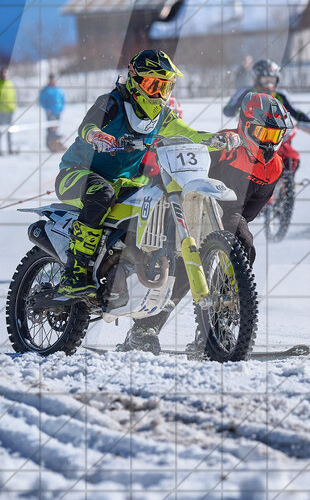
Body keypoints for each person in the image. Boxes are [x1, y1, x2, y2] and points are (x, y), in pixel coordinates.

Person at [53, 48, 240, 302]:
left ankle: (129, 264)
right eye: (152, 85)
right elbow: (88, 125)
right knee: (102, 193)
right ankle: (73, 274)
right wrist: (97, 136)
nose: (158, 95)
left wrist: (215, 139)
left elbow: (189, 133)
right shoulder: (112, 102)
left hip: (122, 181)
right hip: (77, 174)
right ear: (134, 79)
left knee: (156, 198)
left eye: (165, 88)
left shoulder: (161, 114)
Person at [118, 93, 295, 353]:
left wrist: (226, 234)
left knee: (243, 241)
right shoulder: (223, 144)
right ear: (244, 125)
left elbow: (251, 210)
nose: (268, 143)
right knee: (178, 265)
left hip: (226, 212)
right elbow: (182, 162)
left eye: (274, 136)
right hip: (188, 202)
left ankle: (218, 322)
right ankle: (144, 329)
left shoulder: (275, 166)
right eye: (263, 134)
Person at [222, 59, 310, 180]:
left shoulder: (281, 95)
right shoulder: (246, 93)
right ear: (257, 78)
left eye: (272, 80)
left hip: (278, 137)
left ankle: (286, 182)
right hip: (251, 136)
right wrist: (238, 109)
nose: (269, 83)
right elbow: (228, 109)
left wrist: (307, 122)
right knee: (235, 157)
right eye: (265, 80)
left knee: (292, 156)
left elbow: (296, 111)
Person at [0, 67, 17, 155]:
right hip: (1, 112)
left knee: (10, 131)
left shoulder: (10, 84)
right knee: (1, 131)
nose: (4, 75)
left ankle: (10, 149)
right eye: (3, 73)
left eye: (6, 73)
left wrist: (14, 107)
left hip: (10, 111)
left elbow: (14, 96)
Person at [39, 73, 66, 153]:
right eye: (51, 79)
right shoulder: (46, 90)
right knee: (52, 128)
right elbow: (42, 100)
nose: (53, 81)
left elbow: (62, 99)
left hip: (58, 111)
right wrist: (47, 109)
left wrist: (61, 108)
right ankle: (51, 145)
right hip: (50, 112)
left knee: (56, 128)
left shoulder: (58, 89)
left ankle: (55, 144)